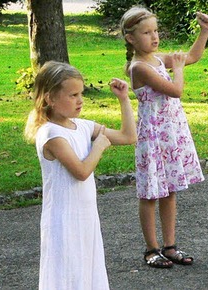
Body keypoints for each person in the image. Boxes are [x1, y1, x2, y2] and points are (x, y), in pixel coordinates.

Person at [24, 61, 136, 289]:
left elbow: (128, 136)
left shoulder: (82, 126)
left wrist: (124, 100)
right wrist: (99, 146)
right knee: (67, 273)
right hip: (63, 219)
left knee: (87, 271)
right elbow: (81, 172)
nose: (80, 100)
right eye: (72, 95)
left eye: (81, 93)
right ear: (50, 99)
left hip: (85, 215)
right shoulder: (51, 134)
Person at [119, 6, 208, 268]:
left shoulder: (157, 59)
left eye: (156, 31)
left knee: (169, 189)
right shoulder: (139, 67)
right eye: (147, 32)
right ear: (131, 38)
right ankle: (151, 249)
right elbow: (175, 90)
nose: (154, 36)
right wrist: (179, 69)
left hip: (170, 134)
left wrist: (204, 30)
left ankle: (170, 246)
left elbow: (192, 56)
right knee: (150, 193)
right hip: (153, 137)